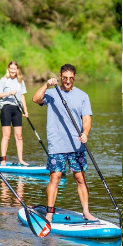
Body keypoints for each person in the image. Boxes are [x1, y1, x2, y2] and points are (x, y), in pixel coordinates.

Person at [32, 64, 96, 222]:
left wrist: (85, 133)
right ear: (60, 76)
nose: (68, 81)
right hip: (57, 144)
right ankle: (49, 213)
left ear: (74, 77)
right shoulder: (52, 94)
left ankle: (86, 212)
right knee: (55, 178)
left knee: (80, 178)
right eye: (65, 78)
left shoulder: (82, 96)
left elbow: (87, 118)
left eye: (71, 78)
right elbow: (35, 99)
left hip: (76, 145)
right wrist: (46, 85)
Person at [0, 61, 29, 165]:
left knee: (19, 136)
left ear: (17, 70)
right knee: (7, 135)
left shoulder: (20, 81)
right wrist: (8, 93)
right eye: (11, 68)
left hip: (17, 109)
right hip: (6, 108)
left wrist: (25, 110)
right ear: (8, 69)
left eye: (15, 69)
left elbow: (22, 96)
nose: (13, 70)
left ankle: (21, 160)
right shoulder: (4, 80)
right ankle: (3, 160)